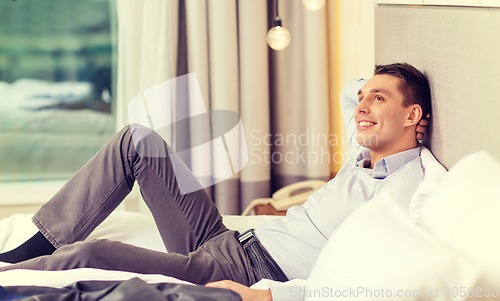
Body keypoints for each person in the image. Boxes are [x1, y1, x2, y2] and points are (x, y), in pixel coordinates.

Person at [0, 63, 432, 301]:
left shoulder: (410, 190)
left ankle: (10, 277)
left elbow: (367, 284)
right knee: (139, 140)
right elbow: (349, 93)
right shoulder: (362, 157)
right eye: (364, 100)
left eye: (377, 99)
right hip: (229, 239)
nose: (360, 108)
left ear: (413, 116)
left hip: (243, 270)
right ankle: (41, 240)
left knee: (93, 253)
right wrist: (376, 90)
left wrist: (269, 297)